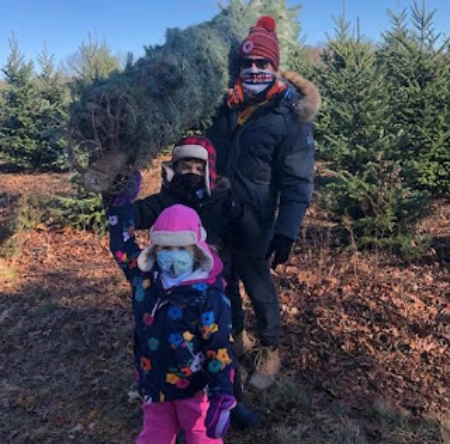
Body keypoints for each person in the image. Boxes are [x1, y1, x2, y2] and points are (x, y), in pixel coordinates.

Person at [206, 15, 321, 390]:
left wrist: (286, 230)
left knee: (258, 286)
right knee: (222, 280)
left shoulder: (289, 117)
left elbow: (297, 180)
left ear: (274, 67)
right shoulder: (223, 108)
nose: (254, 70)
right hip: (218, 214)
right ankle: (237, 337)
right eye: (248, 64)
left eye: (262, 64)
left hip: (255, 219)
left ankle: (269, 349)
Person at [131, 136, 260, 429]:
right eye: (184, 166)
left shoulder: (223, 199)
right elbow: (136, 215)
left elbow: (250, 239)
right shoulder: (166, 199)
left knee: (221, 345)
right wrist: (116, 196)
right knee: (173, 347)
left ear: (208, 169)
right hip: (174, 292)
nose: (191, 172)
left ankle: (230, 400)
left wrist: (241, 215)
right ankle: (170, 406)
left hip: (220, 286)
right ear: (174, 168)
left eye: (197, 167)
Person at [107, 201, 236, 443]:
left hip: (195, 389)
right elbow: (122, 247)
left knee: (200, 436)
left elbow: (218, 347)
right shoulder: (146, 279)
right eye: (165, 247)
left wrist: (222, 393)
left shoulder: (208, 294)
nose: (172, 254)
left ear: (195, 249)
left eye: (181, 248)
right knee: (154, 436)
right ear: (155, 248)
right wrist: (119, 203)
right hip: (155, 383)